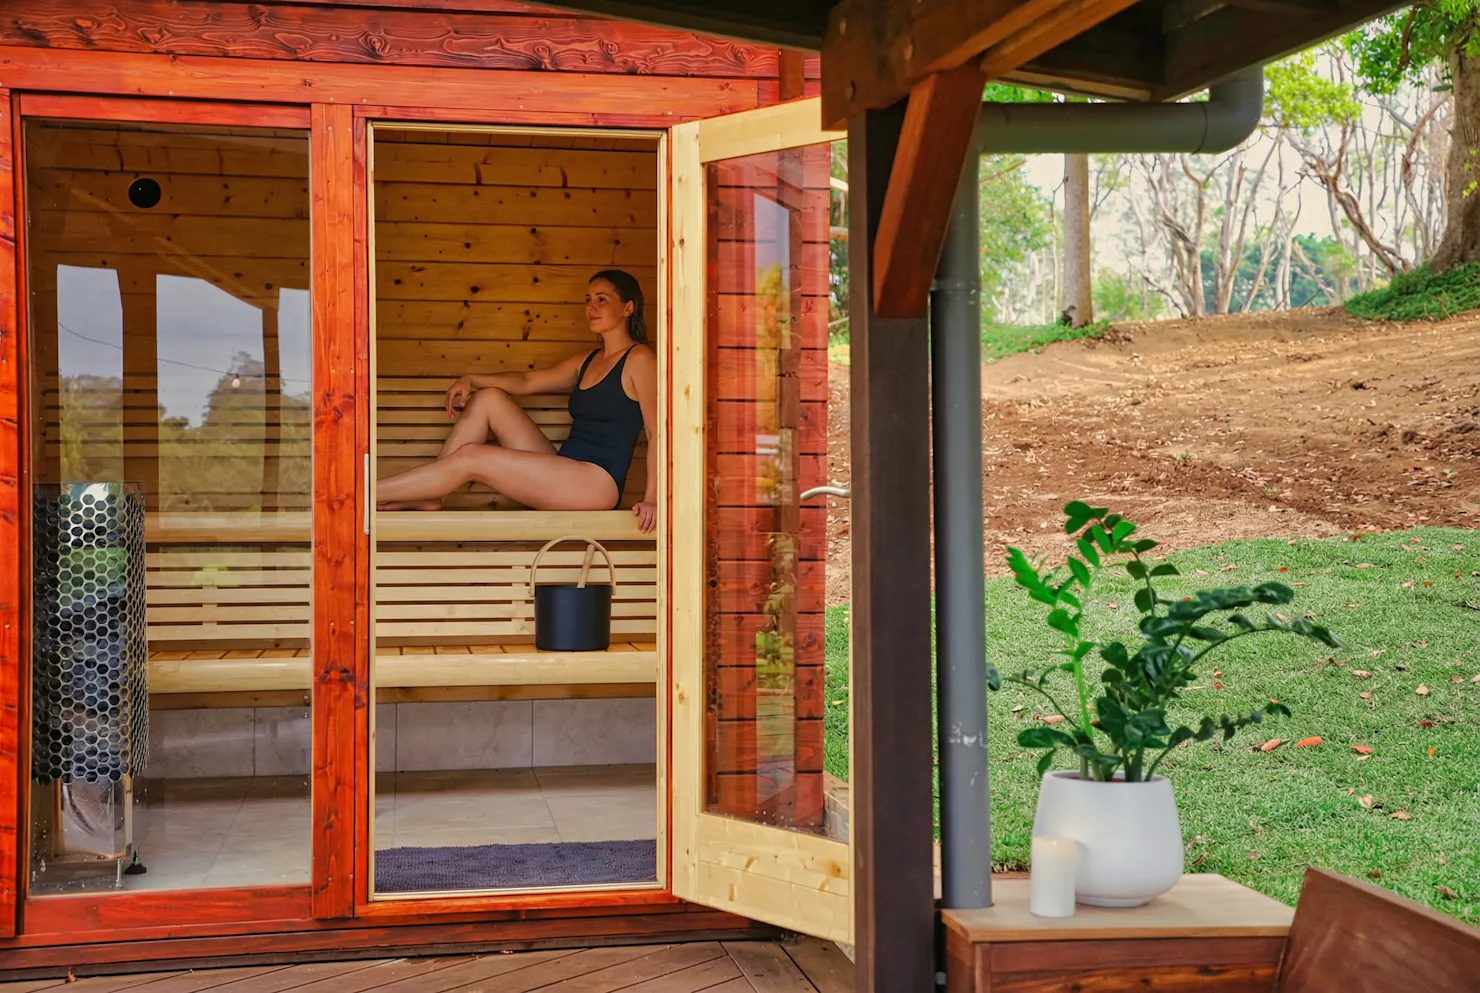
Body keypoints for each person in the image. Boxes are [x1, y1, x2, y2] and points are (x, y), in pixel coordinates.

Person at [376, 270, 658, 533]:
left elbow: (657, 432)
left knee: (472, 455)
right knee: (488, 399)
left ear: (627, 308)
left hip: (596, 483)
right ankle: (430, 496)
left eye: (601, 300)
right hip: (565, 469)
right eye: (588, 300)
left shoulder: (640, 359)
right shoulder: (587, 360)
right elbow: (527, 381)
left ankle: (366, 493)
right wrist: (473, 379)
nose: (591, 307)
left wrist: (652, 500)